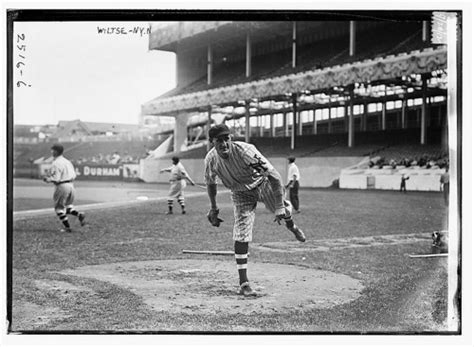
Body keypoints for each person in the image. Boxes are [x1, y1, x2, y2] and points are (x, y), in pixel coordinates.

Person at [204, 124, 305, 297]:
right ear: (212, 142)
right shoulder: (211, 160)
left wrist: (279, 206)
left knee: (284, 210)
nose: (224, 144)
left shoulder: (245, 151)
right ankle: (244, 283)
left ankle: (292, 227)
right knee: (241, 232)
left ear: (231, 138)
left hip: (262, 184)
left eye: (226, 139)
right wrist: (213, 208)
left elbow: (274, 176)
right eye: (219, 140)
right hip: (240, 193)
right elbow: (210, 184)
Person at [42, 143, 86, 232]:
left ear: (55, 151)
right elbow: (74, 174)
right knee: (68, 207)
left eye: (52, 150)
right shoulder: (67, 161)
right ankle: (79, 214)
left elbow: (56, 179)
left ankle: (67, 227)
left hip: (62, 186)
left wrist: (47, 179)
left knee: (59, 209)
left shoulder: (56, 163)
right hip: (71, 186)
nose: (51, 152)